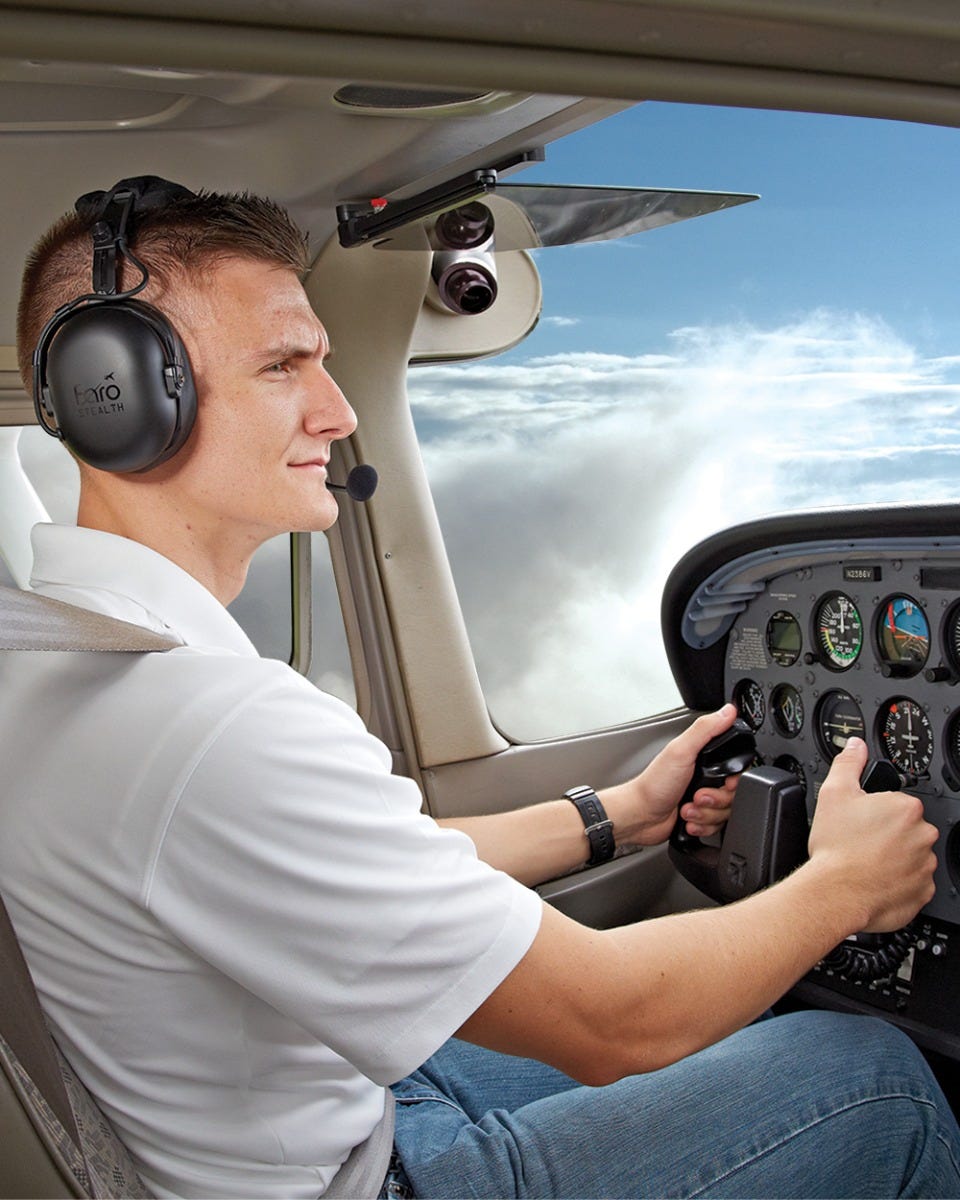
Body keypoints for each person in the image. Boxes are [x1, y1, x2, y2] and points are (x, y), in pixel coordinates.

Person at [2, 177, 958, 1200]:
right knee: (875, 1080)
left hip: (317, 1102)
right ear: (122, 400)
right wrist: (848, 886)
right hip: (367, 1180)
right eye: (285, 365)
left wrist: (621, 815)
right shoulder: (205, 726)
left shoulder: (49, 657)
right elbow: (616, 1022)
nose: (338, 411)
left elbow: (355, 857)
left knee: (750, 1003)